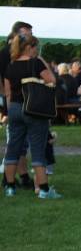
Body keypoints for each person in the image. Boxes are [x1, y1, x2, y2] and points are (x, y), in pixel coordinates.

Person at [2, 34, 60, 198]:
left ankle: (11, 187)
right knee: (37, 150)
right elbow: (52, 81)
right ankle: (43, 190)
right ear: (29, 47)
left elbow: (7, 93)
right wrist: (43, 63)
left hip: (14, 108)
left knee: (13, 148)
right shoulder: (35, 62)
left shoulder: (10, 66)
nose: (37, 50)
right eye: (36, 47)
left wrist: (10, 111)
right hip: (33, 110)